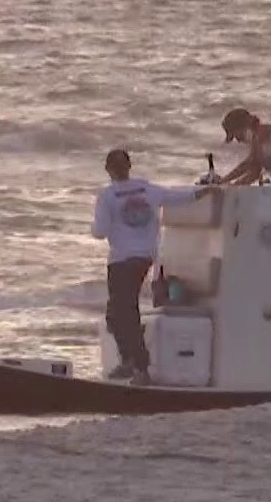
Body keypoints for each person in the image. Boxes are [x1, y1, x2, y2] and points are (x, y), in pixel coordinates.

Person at [92, 148, 217, 384]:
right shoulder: (147, 188)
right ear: (129, 166)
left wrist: (93, 229)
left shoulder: (107, 196)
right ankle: (129, 360)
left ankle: (141, 367)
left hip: (121, 260)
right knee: (116, 312)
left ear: (108, 169)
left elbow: (100, 232)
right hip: (144, 257)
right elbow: (179, 197)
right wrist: (206, 191)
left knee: (124, 313)